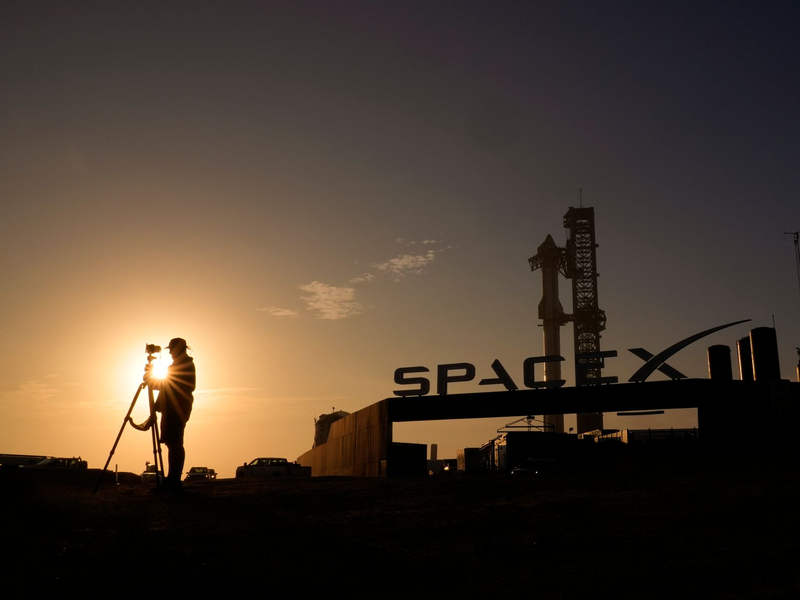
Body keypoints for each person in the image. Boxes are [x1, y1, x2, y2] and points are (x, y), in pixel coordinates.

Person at [147, 337, 196, 491]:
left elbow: (174, 385)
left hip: (177, 408)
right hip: (172, 408)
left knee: (175, 443)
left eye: (172, 350)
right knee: (171, 443)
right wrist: (153, 382)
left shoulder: (185, 365)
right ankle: (172, 479)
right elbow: (168, 385)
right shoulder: (180, 364)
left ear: (178, 349)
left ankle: (174, 480)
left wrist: (152, 381)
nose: (170, 353)